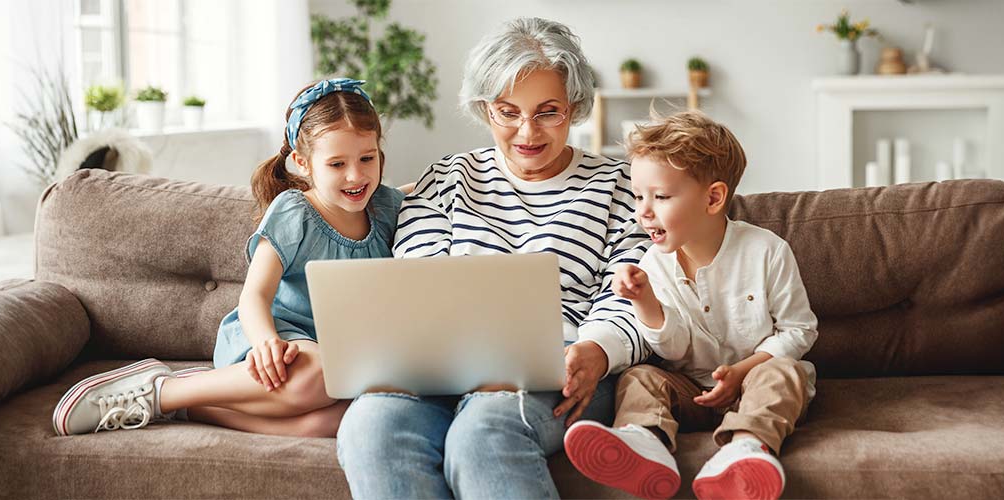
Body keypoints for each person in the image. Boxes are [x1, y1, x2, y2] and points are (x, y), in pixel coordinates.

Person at [335, 17, 651, 499]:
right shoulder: (447, 178)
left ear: (576, 108)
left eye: (548, 112)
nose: (528, 131)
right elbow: (414, 281)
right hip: (440, 371)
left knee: (483, 432)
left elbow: (633, 291)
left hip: (561, 371)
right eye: (508, 112)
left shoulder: (620, 186)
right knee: (370, 426)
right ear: (485, 109)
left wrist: (599, 350)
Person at [52, 78, 405, 438]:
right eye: (336, 164)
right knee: (317, 374)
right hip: (273, 340)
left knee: (335, 421)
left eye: (367, 158)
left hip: (332, 361)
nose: (356, 175)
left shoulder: (386, 206)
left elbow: (431, 184)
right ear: (303, 163)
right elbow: (254, 296)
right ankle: (161, 391)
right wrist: (266, 341)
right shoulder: (294, 212)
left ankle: (192, 407)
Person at [563, 110, 819, 500]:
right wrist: (645, 301)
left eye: (661, 197)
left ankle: (745, 448)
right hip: (690, 391)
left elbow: (800, 330)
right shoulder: (652, 264)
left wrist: (741, 372)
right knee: (639, 378)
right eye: (638, 196)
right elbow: (673, 348)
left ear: (713, 198)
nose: (643, 211)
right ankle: (645, 442)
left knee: (786, 374)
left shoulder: (766, 251)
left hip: (755, 382)